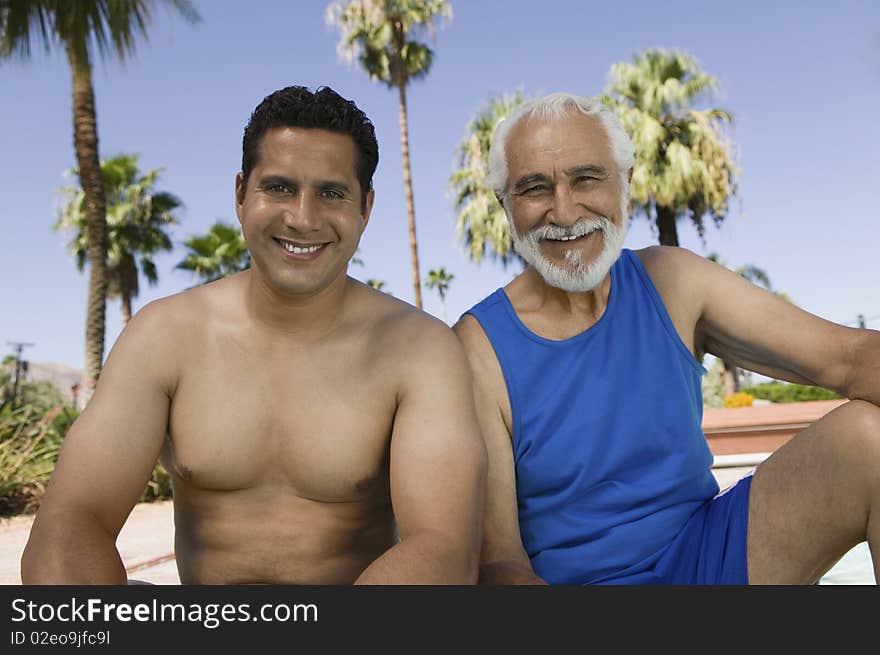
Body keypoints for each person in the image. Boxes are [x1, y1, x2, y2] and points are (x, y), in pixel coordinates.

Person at [21, 85, 487, 585]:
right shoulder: (164, 335)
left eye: (331, 193)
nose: (302, 218)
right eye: (280, 188)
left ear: (364, 209)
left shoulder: (419, 349)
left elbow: (442, 548)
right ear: (242, 194)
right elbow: (70, 520)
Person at [453, 92, 880, 585]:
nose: (564, 211)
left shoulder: (672, 280)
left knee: (867, 440)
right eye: (534, 188)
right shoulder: (476, 345)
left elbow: (849, 358)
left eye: (586, 178)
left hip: (709, 554)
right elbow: (499, 558)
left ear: (626, 183)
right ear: (505, 204)